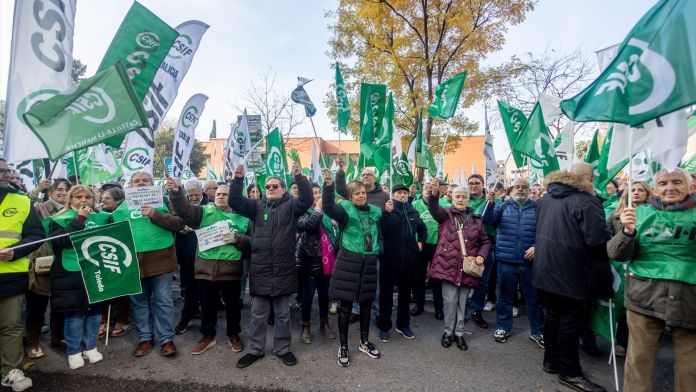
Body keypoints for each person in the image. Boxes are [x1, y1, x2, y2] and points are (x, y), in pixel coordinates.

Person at [608, 169, 695, 392]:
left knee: (691, 366)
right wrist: (626, 232)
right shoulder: (639, 214)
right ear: (655, 190)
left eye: (677, 182)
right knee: (638, 360)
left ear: (691, 187)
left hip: (690, 300)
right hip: (644, 297)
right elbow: (616, 253)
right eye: (663, 183)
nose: (670, 187)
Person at [533, 163, 612, 392]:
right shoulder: (588, 202)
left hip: (547, 270)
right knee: (570, 323)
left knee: (553, 317)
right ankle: (570, 372)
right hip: (573, 273)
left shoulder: (546, 198)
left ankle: (551, 360)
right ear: (587, 178)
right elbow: (598, 242)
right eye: (593, 176)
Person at [229, 162, 312, 369]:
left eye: (275, 186)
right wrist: (238, 180)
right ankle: (255, 349)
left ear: (284, 189)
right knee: (258, 314)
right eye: (268, 186)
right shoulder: (256, 205)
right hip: (260, 269)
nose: (271, 189)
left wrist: (300, 178)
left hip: (284, 269)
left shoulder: (292, 205)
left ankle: (283, 349)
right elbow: (235, 201)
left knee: (283, 314)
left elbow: (308, 199)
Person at [168, 178, 251, 355]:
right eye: (219, 194)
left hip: (231, 270)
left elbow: (253, 244)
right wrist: (176, 193)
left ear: (234, 197)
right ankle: (208, 337)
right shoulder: (203, 211)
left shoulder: (244, 218)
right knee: (207, 306)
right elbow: (184, 210)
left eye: (225, 194)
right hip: (206, 270)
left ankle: (233, 335)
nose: (221, 197)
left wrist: (238, 239)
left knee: (233, 307)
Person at [112, 171, 184, 358]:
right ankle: (145, 338)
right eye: (137, 181)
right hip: (133, 262)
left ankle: (166, 339)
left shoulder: (164, 201)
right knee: (139, 302)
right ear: (129, 185)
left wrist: (155, 214)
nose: (141, 183)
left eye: (146, 180)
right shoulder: (120, 207)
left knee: (163, 301)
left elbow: (178, 223)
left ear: (153, 184)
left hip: (162, 260)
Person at [323, 170, 390, 367]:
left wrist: (379, 249)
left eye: (363, 193)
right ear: (350, 197)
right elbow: (328, 206)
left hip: (369, 263)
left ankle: (364, 342)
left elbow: (379, 233)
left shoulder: (374, 212)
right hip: (348, 263)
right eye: (357, 193)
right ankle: (343, 346)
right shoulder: (345, 212)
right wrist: (328, 187)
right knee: (345, 307)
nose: (361, 195)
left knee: (367, 305)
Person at [49, 186, 111, 369]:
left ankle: (90, 347)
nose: (84, 200)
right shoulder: (58, 219)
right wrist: (80, 219)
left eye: (88, 197)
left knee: (95, 311)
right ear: (70, 199)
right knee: (74, 313)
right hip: (70, 272)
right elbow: (61, 241)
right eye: (78, 197)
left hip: (96, 270)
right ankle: (74, 351)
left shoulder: (103, 217)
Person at [427, 179, 491, 351]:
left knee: (462, 302)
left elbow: (485, 241)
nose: (461, 199)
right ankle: (448, 332)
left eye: (464, 197)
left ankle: (459, 334)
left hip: (467, 268)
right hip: (448, 265)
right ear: (452, 199)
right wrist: (434, 195)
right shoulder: (445, 215)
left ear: (468, 199)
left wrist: (481, 256)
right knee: (449, 301)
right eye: (458, 197)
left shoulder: (477, 220)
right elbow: (434, 209)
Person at [483, 179, 544, 348]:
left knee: (533, 299)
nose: (520, 190)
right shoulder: (502, 206)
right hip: (506, 260)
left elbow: (545, 231)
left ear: (529, 190)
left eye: (524, 187)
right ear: (511, 190)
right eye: (517, 187)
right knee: (504, 297)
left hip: (530, 262)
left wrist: (537, 246)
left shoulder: (538, 208)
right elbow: (487, 221)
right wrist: (490, 202)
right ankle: (503, 327)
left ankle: (538, 331)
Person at [0, 158, 44, 391]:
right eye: (1, 170)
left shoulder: (22, 201)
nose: (5, 174)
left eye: (7, 170)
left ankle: (10, 371)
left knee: (11, 326)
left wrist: (15, 251)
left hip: (10, 276)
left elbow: (36, 235)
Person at [335, 161, 389, 323]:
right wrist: (340, 171)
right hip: (355, 247)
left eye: (368, 174)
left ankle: (376, 311)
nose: (365, 176)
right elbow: (339, 189)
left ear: (375, 178)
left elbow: (385, 221)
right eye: (363, 174)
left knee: (373, 281)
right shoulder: (354, 193)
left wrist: (380, 245)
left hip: (373, 245)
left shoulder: (384, 196)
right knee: (355, 280)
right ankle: (357, 310)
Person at [25, 178, 71, 359]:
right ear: (50, 192)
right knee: (37, 303)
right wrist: (36, 190)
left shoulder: (71, 211)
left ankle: (56, 337)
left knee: (59, 301)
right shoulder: (39, 208)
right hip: (41, 260)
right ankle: (33, 342)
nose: (64, 192)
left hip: (64, 261)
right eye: (59, 189)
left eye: (67, 189)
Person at [605, 181, 651, 357]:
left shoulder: (658, 214)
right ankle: (622, 342)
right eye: (633, 190)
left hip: (646, 265)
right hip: (622, 266)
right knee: (625, 304)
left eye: (641, 190)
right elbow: (608, 242)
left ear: (648, 194)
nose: (637, 193)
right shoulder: (614, 216)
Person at [378, 184, 427, 342]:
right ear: (393, 195)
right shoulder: (387, 211)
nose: (402, 195)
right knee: (386, 296)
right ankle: (384, 326)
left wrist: (421, 241)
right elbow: (380, 229)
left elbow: (423, 229)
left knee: (405, 295)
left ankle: (403, 325)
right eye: (399, 192)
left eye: (405, 193)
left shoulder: (413, 212)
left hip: (408, 261)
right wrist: (386, 213)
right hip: (389, 261)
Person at [296, 183, 337, 344]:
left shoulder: (328, 213)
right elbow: (310, 224)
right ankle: (305, 326)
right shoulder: (301, 212)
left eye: (319, 192)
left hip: (327, 261)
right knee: (308, 295)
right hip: (310, 261)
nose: (318, 195)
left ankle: (324, 323)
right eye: (314, 193)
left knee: (325, 294)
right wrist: (318, 208)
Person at [97, 189, 132, 339]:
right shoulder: (100, 215)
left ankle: (123, 320)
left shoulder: (125, 213)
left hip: (122, 256)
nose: (103, 201)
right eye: (102, 198)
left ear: (118, 200)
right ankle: (105, 321)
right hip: (104, 256)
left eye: (107, 198)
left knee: (122, 290)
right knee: (104, 290)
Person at [466, 174, 498, 328]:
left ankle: (476, 310)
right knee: (464, 278)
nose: (473, 186)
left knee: (482, 281)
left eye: (476, 183)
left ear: (483, 184)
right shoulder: (464, 200)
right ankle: (461, 310)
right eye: (470, 183)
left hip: (487, 244)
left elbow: (492, 221)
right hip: (468, 244)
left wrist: (491, 204)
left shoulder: (492, 200)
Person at [174, 179, 204, 335]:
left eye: (196, 194)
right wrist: (179, 229)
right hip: (187, 255)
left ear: (201, 192)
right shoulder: (179, 207)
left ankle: (207, 323)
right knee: (190, 288)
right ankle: (186, 318)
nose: (193, 197)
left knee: (207, 291)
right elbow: (172, 223)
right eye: (190, 194)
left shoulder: (212, 205)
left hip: (208, 256)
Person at [411, 182, 444, 320]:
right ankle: (419, 304)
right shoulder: (415, 204)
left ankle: (438, 307)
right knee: (419, 276)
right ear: (422, 190)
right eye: (426, 188)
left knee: (437, 277)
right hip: (420, 245)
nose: (429, 190)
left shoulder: (441, 203)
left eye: (431, 188)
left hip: (437, 244)